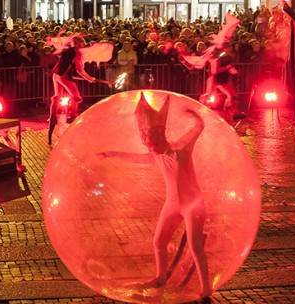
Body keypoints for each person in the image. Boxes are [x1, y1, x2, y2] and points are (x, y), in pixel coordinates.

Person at [99, 94, 210, 300]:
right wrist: (112, 153)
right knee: (159, 241)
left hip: (193, 205)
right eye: (148, 146)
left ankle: (206, 288)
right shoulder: (156, 154)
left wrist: (195, 116)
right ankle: (160, 277)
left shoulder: (180, 148)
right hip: (173, 204)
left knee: (195, 245)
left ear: (160, 136)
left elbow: (198, 129)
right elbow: (138, 158)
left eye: (152, 144)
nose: (151, 150)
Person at [48, 36, 98, 145]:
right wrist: (90, 79)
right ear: (79, 44)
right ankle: (72, 115)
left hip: (56, 75)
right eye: (83, 44)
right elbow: (80, 70)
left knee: (57, 97)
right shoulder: (77, 53)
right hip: (63, 77)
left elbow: (63, 61)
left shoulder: (68, 50)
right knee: (76, 96)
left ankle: (52, 116)